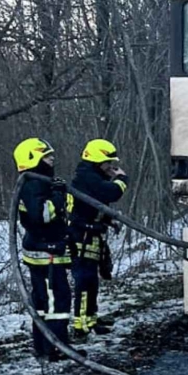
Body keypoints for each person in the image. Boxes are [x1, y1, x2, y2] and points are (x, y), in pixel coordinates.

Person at [13, 137, 83, 362]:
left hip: (45, 250)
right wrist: (58, 195)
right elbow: (42, 215)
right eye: (47, 156)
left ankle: (44, 346)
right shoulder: (34, 184)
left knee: (44, 301)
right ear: (33, 158)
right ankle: (56, 348)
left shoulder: (37, 182)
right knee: (56, 301)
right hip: (46, 254)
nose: (53, 160)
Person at [68, 138, 130, 339]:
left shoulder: (91, 177)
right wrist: (122, 180)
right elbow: (110, 193)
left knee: (92, 280)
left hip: (91, 235)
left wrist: (109, 220)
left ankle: (91, 319)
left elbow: (97, 203)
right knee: (84, 280)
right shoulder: (87, 178)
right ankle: (80, 324)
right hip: (81, 237)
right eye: (107, 163)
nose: (110, 167)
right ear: (96, 160)